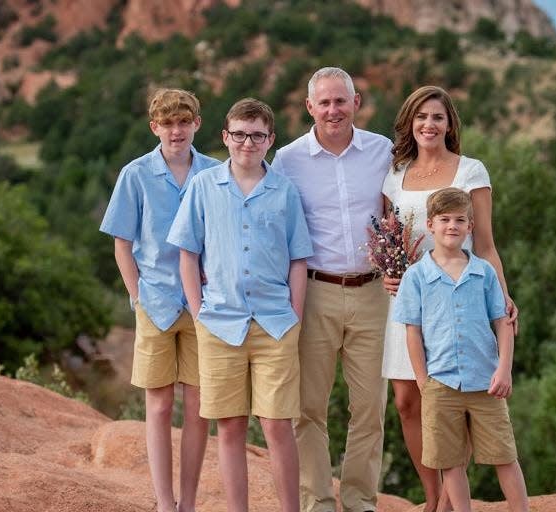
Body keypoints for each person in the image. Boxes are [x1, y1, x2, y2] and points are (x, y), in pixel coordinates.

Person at [167, 98, 313, 512]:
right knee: (229, 427)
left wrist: (295, 318)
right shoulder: (203, 186)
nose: (248, 143)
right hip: (220, 324)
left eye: (258, 135)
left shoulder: (285, 192)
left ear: (270, 139)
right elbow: (187, 255)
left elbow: (299, 259)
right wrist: (198, 314)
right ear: (225, 137)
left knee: (277, 425)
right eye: (240, 134)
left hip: (275, 325)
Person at [380, 85, 518, 511]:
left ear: (449, 124)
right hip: (409, 299)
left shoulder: (471, 171)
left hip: (460, 298)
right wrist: (389, 273)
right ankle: (433, 496)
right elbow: (390, 238)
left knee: (459, 398)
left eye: (437, 117)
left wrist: (505, 298)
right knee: (407, 400)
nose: (429, 124)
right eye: (421, 116)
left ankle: (454, 496)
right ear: (410, 122)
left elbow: (487, 243)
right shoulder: (394, 175)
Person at [271, 67, 393, 512]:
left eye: (340, 100)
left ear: (356, 102)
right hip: (314, 291)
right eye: (324, 102)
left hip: (373, 292)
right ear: (309, 107)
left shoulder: (384, 152)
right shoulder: (286, 160)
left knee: (369, 409)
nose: (333, 110)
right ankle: (318, 502)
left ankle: (360, 501)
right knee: (308, 409)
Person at [100, 88, 221, 512]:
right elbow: (121, 244)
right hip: (156, 303)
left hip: (203, 305)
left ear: (197, 125)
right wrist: (137, 298)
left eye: (183, 122)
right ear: (155, 127)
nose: (176, 130)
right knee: (159, 403)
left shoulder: (215, 173)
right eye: (168, 123)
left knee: (199, 405)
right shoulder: (135, 174)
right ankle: (164, 503)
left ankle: (188, 501)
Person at [393, 187, 529, 512]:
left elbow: (503, 323)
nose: (451, 226)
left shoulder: (484, 273)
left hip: (487, 383)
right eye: (444, 219)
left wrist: (504, 369)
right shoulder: (416, 277)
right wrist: (423, 381)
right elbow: (413, 333)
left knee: (505, 456)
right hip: (440, 384)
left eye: (459, 220)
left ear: (470, 226)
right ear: (430, 225)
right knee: (451, 463)